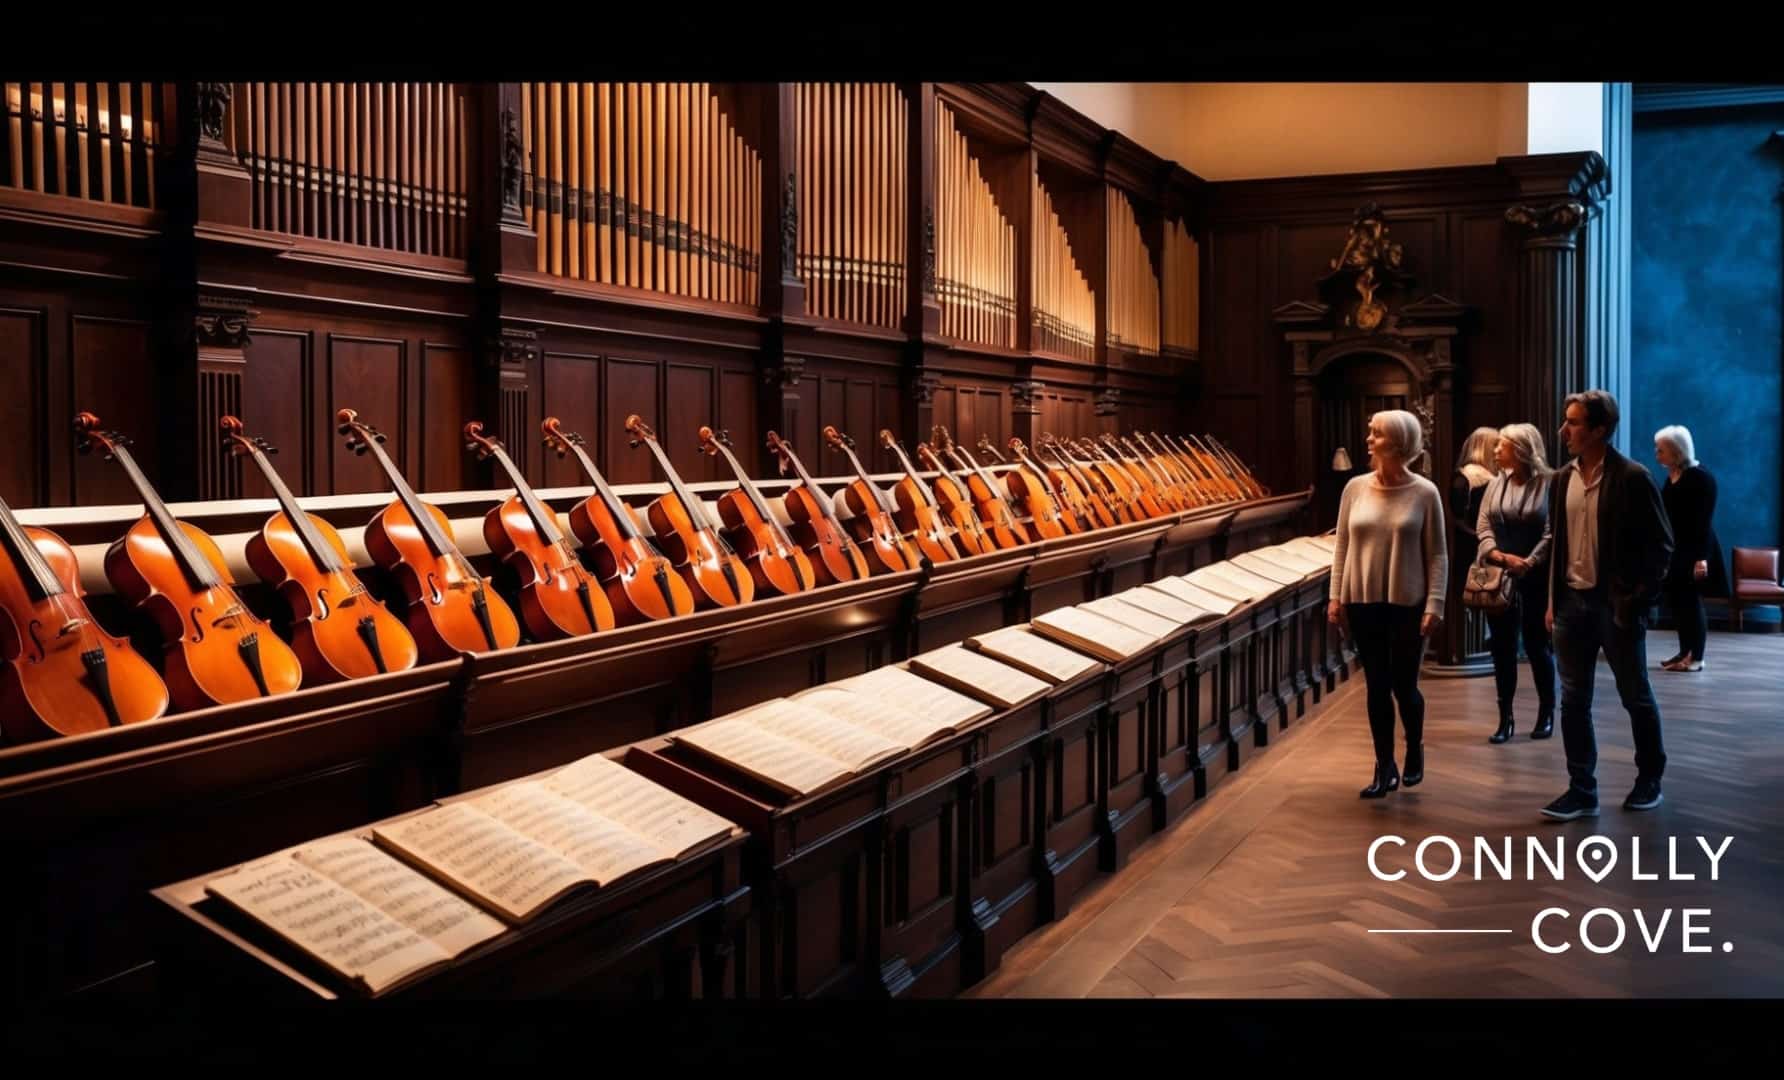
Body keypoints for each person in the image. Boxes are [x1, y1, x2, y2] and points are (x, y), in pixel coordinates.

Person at [1540, 391, 1674, 821]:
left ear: (1599, 430)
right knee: (1573, 700)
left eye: (1574, 422)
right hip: (1570, 603)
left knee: (1635, 696)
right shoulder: (1561, 478)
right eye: (1566, 420)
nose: (1563, 430)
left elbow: (1662, 546)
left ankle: (1649, 779)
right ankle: (1582, 790)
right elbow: (1558, 544)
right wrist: (1552, 601)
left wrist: (1636, 600)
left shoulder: (1632, 477)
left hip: (1614, 605)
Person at [1327, 409, 1447, 799]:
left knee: (1404, 686)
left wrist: (1435, 604)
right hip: (1362, 600)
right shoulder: (1354, 488)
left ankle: (1413, 747)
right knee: (1376, 686)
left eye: (1375, 434)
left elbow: (1438, 554)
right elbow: (1342, 545)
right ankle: (1384, 765)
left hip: (1408, 602)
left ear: (1397, 443)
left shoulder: (1425, 492)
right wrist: (1335, 597)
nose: (1368, 439)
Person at [1475, 423, 1557, 743]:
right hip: (1501, 574)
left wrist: (1529, 562)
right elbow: (1483, 524)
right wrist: (1498, 555)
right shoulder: (1496, 483)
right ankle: (1505, 718)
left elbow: (1552, 531)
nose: (1495, 450)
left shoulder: (1549, 483)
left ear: (1521, 450)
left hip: (1536, 576)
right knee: (1502, 647)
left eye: (1502, 445)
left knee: (1537, 645)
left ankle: (1546, 712)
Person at [1654, 425, 1727, 672]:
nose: (1657, 454)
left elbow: (1703, 522)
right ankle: (1684, 652)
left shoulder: (1700, 478)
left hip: (1695, 549)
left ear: (1676, 452)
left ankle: (1696, 657)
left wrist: (1701, 558)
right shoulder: (1673, 475)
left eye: (1661, 450)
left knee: (1691, 604)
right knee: (1679, 603)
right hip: (1677, 549)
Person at [1451, 426, 1500, 572]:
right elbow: (1458, 517)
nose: (1499, 450)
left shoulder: (1496, 477)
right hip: (1473, 549)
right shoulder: (1464, 479)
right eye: (1495, 445)